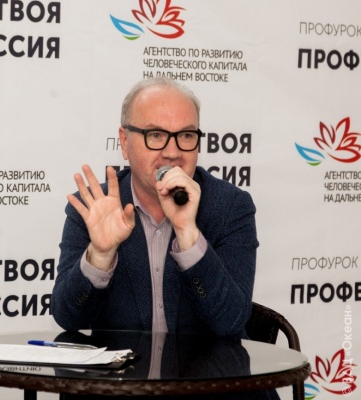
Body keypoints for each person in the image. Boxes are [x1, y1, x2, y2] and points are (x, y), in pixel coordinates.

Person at [51, 77, 259, 338]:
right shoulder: (93, 207)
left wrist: (188, 235)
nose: (172, 152)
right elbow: (68, 318)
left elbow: (231, 322)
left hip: (206, 365)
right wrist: (100, 256)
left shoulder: (230, 206)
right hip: (123, 365)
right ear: (124, 142)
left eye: (186, 135)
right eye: (156, 135)